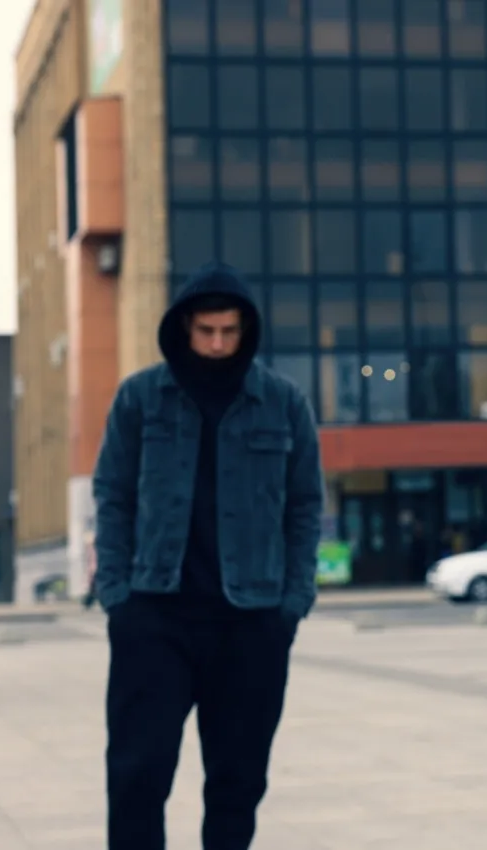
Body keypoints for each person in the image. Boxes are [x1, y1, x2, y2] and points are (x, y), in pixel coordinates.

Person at [91, 262, 324, 850]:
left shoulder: (283, 403)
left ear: (246, 331)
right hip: (156, 616)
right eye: (206, 332)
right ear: (184, 328)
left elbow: (304, 507)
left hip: (252, 621)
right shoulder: (140, 398)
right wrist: (118, 598)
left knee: (238, 782)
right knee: (137, 776)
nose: (218, 344)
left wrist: (292, 604)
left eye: (229, 332)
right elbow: (112, 496)